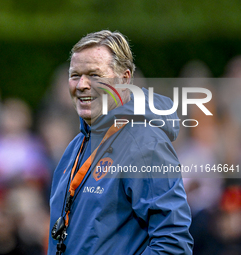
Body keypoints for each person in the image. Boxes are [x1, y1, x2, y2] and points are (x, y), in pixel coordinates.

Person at [48, 30, 193, 255]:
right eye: (75, 75)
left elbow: (173, 244)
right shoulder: (75, 147)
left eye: (95, 75)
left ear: (124, 78)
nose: (82, 85)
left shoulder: (145, 143)